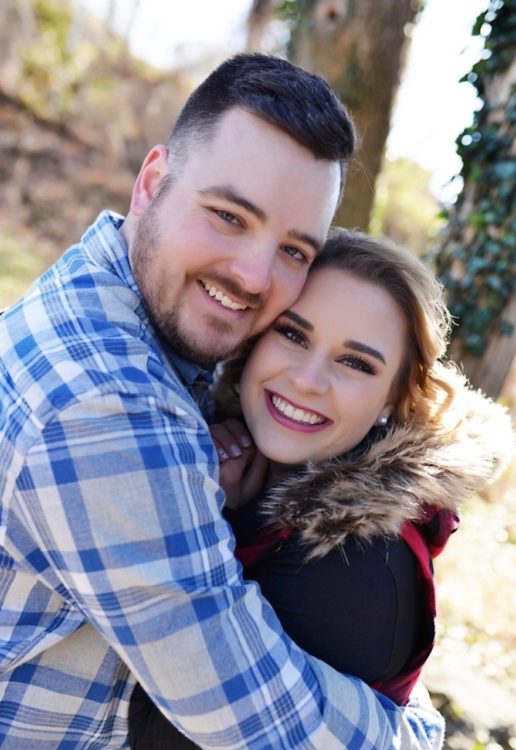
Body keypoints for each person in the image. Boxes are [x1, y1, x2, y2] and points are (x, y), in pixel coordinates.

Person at [0, 51, 449, 749]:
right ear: (152, 183)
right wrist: (414, 732)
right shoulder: (106, 404)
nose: (253, 276)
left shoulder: (118, 307)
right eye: (229, 216)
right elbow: (247, 713)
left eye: (295, 250)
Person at [127, 229, 514, 749]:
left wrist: (200, 524)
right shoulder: (223, 449)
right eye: (293, 334)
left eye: (355, 363)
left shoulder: (351, 566)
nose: (308, 379)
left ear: (393, 397)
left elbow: (154, 732)